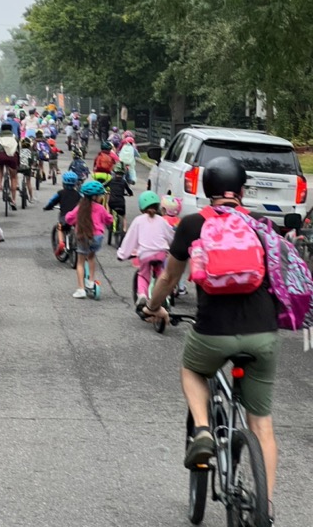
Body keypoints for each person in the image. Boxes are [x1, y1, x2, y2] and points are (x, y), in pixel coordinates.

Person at [141, 156, 279, 522]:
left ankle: (202, 429)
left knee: (192, 370)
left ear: (207, 190)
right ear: (243, 189)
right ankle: (263, 510)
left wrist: (153, 307)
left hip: (213, 331)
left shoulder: (191, 225)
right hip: (263, 332)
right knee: (261, 424)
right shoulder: (262, 225)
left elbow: (169, 279)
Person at [117, 191, 174, 308]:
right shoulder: (162, 220)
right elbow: (170, 236)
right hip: (161, 253)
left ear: (141, 207)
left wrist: (122, 254)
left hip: (145, 254)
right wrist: (172, 247)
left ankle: (142, 295)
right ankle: (164, 295)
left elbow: (130, 239)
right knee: (161, 273)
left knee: (143, 275)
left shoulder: (138, 220)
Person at [65, 180, 112, 298]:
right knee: (91, 257)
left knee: (80, 262)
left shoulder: (80, 207)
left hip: (83, 236)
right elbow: (109, 220)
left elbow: (69, 218)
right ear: (96, 197)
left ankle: (81, 289)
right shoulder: (101, 208)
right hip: (97, 237)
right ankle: (91, 282)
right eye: (101, 196)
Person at [44, 171, 81, 256]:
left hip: (66, 217)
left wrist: (48, 207)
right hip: (76, 217)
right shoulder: (78, 194)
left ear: (63, 183)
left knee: (60, 227)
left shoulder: (60, 193)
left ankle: (61, 242)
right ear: (75, 183)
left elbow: (52, 201)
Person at [0, 122, 19, 210]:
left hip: (1, 156)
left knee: (1, 167)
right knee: (13, 177)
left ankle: (0, 185)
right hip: (12, 157)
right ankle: (13, 200)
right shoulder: (14, 136)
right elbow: (18, 149)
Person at [105, 162, 133, 233]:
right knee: (123, 216)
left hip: (112, 201)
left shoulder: (112, 180)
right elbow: (129, 191)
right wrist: (130, 194)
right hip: (121, 202)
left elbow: (104, 186)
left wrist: (105, 191)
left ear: (114, 172)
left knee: (108, 204)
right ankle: (124, 229)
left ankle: (108, 217)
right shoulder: (123, 182)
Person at [17, 138, 35, 203]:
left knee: (14, 175)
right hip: (27, 168)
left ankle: (17, 185)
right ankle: (31, 197)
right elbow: (32, 161)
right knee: (28, 182)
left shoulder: (19, 151)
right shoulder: (31, 152)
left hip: (19, 167)